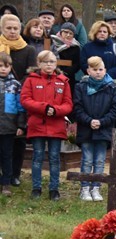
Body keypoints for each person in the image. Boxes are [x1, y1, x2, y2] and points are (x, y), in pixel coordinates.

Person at [20, 50, 73, 200]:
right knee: (37, 156)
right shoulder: (31, 80)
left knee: (55, 158)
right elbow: (25, 100)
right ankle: (36, 188)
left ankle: (54, 189)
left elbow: (68, 104)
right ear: (39, 64)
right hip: (37, 125)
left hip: (56, 125)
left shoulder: (63, 81)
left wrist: (56, 110)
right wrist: (43, 108)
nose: (49, 65)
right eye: (45, 62)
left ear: (56, 63)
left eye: (51, 62)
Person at [72, 56, 116, 201]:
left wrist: (102, 122)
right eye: (94, 70)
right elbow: (77, 107)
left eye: (100, 69)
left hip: (104, 129)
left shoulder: (112, 87)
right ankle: (85, 187)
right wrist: (89, 121)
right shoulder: (81, 86)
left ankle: (96, 187)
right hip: (86, 129)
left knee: (100, 160)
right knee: (86, 159)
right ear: (88, 70)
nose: (98, 72)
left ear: (105, 70)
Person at [1, 14, 36, 188]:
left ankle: (14, 173)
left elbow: (31, 73)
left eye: (16, 28)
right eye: (9, 28)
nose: (13, 31)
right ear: (2, 29)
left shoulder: (28, 50)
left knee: (18, 138)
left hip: (21, 97)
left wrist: (17, 87)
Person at [0, 52, 24, 196]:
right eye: (0, 66)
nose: (3, 69)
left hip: (9, 127)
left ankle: (6, 183)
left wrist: (21, 125)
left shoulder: (15, 84)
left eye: (6, 66)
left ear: (11, 67)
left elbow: (20, 107)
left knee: (7, 155)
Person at [50, 22, 81, 96]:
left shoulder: (76, 46)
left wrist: (66, 72)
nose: (68, 35)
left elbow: (77, 63)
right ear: (61, 32)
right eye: (66, 32)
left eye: (71, 33)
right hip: (53, 74)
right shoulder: (52, 42)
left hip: (69, 77)